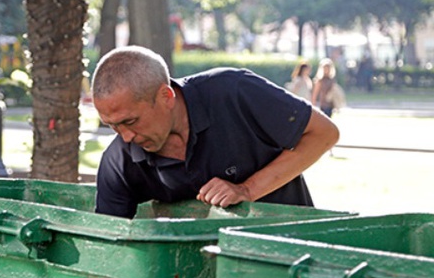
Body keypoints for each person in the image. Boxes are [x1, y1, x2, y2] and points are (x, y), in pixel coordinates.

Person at [91, 45, 340, 219]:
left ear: (165, 96)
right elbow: (108, 248)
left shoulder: (233, 91)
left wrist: (247, 190)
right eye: (113, 126)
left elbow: (325, 133)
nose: (126, 137)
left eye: (131, 121)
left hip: (288, 259)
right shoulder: (119, 162)